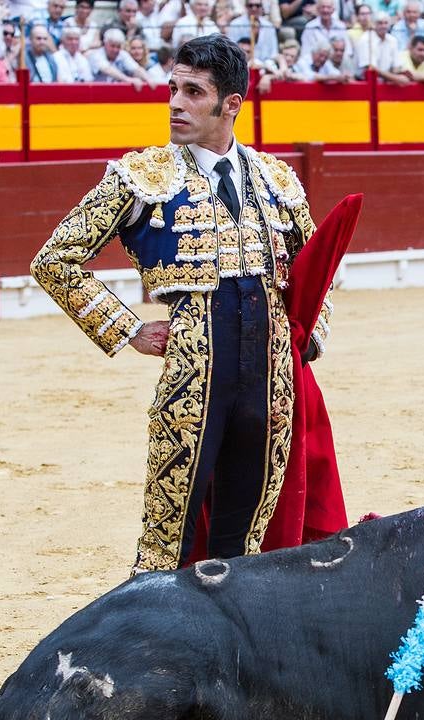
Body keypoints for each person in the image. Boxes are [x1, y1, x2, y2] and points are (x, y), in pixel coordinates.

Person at [30, 34, 338, 573]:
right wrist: (126, 329)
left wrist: (313, 332)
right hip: (194, 375)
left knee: (244, 542)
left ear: (232, 104)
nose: (174, 103)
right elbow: (54, 261)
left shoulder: (277, 178)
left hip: (271, 382)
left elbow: (320, 269)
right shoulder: (142, 176)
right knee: (167, 536)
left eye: (192, 92)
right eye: (172, 89)